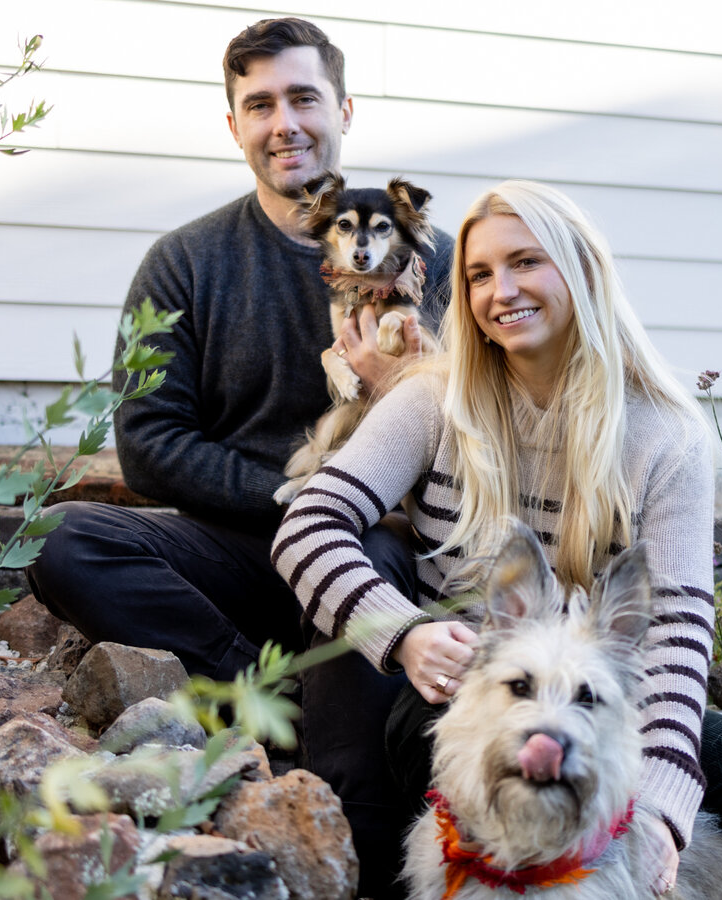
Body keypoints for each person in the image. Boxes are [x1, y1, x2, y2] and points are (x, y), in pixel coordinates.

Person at [271, 180, 722, 899]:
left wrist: (658, 805)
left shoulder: (664, 435)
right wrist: (405, 633)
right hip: (472, 692)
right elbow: (308, 523)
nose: (501, 290)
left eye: (526, 262)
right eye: (478, 274)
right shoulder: (431, 401)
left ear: (581, 270)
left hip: (604, 702)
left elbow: (676, 635)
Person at [24, 18, 453, 898]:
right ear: (233, 126)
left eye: (303, 97)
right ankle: (268, 700)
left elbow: (483, 426)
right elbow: (148, 444)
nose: (283, 122)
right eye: (259, 104)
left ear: (344, 109)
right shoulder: (184, 263)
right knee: (60, 539)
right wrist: (295, 503)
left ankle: (354, 837)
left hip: (379, 550)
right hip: (237, 551)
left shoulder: (432, 260)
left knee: (365, 563)